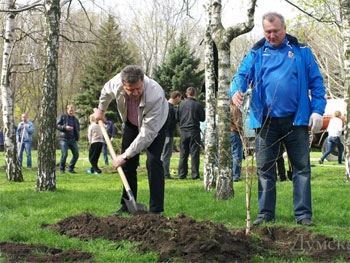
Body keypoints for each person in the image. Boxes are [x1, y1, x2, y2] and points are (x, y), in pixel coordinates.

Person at [230, 12, 326, 226]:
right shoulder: (256, 53)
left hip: (296, 121)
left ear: (284, 29)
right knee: (264, 169)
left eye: (275, 31)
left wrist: (318, 110)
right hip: (266, 122)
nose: (271, 35)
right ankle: (265, 214)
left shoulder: (302, 52)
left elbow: (317, 84)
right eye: (267, 32)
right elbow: (240, 77)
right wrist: (236, 90)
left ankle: (303, 215)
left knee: (301, 168)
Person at [94, 65, 168, 216]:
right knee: (127, 165)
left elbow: (147, 134)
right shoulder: (116, 83)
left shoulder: (155, 94)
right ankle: (126, 205)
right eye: (130, 90)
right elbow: (105, 92)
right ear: (123, 85)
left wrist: (125, 155)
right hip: (131, 121)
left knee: (153, 162)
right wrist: (101, 111)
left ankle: (156, 210)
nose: (135, 93)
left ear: (143, 81)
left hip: (155, 125)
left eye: (138, 89)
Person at [177, 87, 205, 180]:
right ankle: (195, 174)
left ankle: (182, 174)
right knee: (194, 154)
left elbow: (177, 117)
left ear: (186, 94)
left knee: (183, 154)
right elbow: (202, 118)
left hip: (184, 131)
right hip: (194, 131)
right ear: (195, 94)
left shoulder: (181, 105)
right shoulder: (198, 105)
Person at [162, 90, 182, 179]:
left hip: (163, 133)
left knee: (164, 153)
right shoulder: (170, 108)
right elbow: (170, 122)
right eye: (179, 98)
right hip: (168, 134)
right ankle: (165, 173)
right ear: (177, 97)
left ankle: (163, 172)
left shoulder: (164, 105)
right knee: (167, 154)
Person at [57, 104, 80, 174]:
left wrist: (77, 136)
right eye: (70, 110)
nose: (71, 112)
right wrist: (65, 127)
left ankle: (71, 168)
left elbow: (78, 129)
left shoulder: (76, 120)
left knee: (76, 154)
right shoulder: (63, 117)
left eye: (72, 110)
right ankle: (62, 169)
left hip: (72, 139)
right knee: (64, 154)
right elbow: (57, 125)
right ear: (67, 110)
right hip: (64, 138)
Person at [230, 100, 243, 182]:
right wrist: (241, 132)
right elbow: (238, 123)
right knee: (237, 154)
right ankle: (235, 175)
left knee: (230, 154)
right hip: (234, 132)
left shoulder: (225, 108)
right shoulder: (235, 109)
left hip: (227, 132)